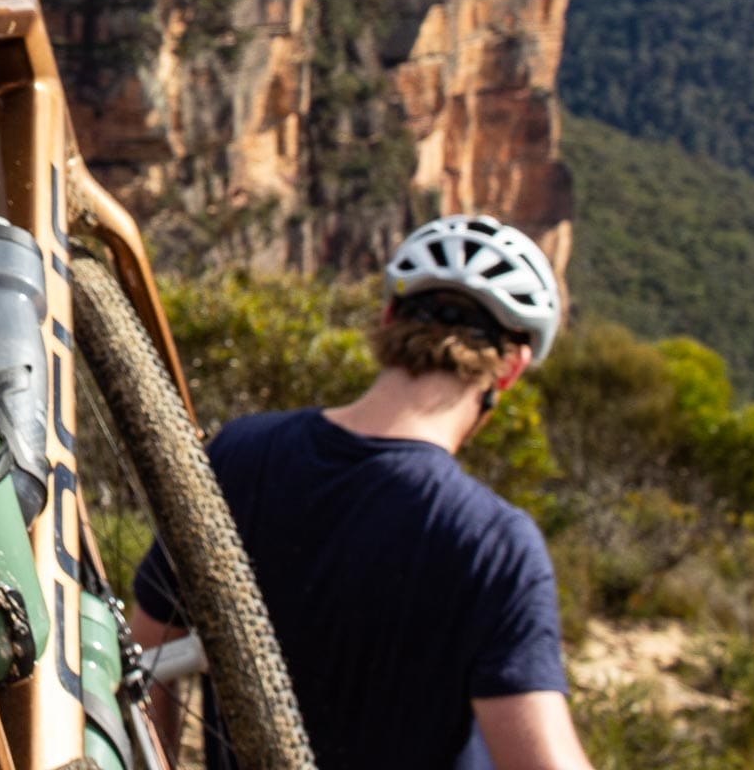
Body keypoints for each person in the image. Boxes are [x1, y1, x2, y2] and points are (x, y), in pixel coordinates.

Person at [129, 214, 595, 770]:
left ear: (389, 318)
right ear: (510, 370)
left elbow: (147, 653)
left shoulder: (240, 453)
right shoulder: (495, 542)